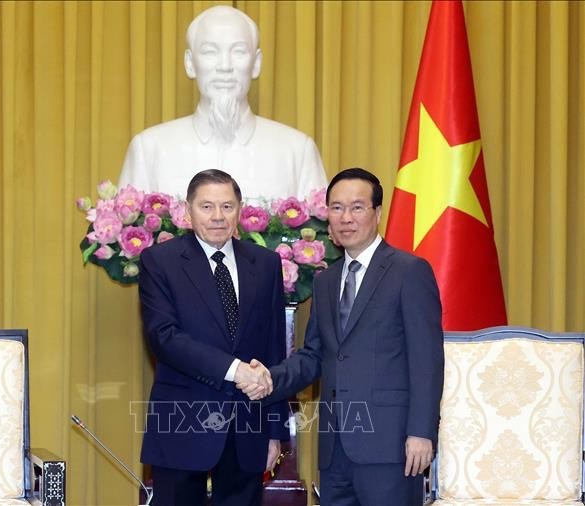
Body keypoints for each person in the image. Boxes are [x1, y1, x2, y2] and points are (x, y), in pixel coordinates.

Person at [240, 168, 445, 505]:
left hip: (391, 449)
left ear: (377, 213)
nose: (345, 218)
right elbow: (314, 356)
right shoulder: (325, 281)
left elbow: (427, 361)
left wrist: (421, 433)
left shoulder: (409, 272)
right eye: (336, 208)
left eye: (357, 207)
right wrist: (267, 378)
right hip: (335, 450)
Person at [138, 169, 288, 505]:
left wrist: (275, 432)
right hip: (181, 425)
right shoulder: (159, 262)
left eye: (227, 206)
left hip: (249, 429)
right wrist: (237, 371)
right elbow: (164, 337)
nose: (218, 216)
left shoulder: (265, 264)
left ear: (240, 210)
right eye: (206, 207)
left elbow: (275, 349)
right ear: (187, 212)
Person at [118, 5, 327, 203]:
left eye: (239, 51)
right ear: (190, 63)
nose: (225, 66)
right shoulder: (149, 149)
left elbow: (319, 238)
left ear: (256, 63)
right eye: (210, 52)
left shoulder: (297, 151)